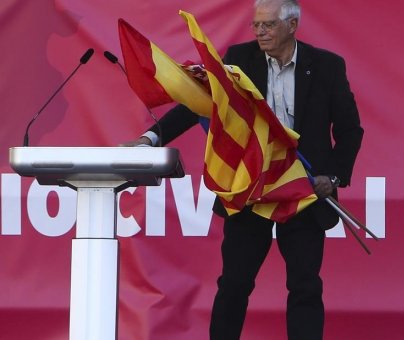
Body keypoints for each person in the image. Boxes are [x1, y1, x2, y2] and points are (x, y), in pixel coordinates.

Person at [124, 0, 363, 339]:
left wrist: (334, 177)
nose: (260, 32)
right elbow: (197, 102)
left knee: (305, 286)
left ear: (292, 26)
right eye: (256, 25)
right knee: (234, 284)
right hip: (251, 189)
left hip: (303, 191)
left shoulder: (326, 66)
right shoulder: (239, 60)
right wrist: (150, 139)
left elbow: (351, 130)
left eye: (268, 25)